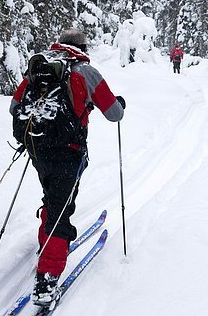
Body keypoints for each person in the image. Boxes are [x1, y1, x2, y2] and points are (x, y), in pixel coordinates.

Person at [9, 28, 125, 307]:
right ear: (83, 46)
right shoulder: (85, 71)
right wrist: (118, 103)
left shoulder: (38, 68)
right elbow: (114, 114)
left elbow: (15, 108)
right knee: (61, 210)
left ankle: (46, 244)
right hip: (69, 152)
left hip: (37, 149)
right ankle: (47, 281)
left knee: (53, 198)